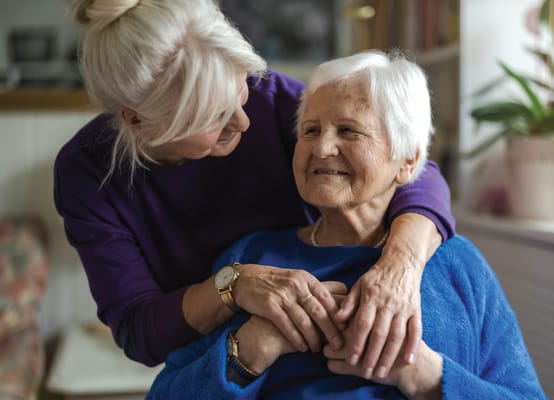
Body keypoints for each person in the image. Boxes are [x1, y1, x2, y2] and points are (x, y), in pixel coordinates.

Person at [55, 0, 455, 373]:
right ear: (136, 121)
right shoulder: (87, 173)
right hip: (219, 359)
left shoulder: (269, 97)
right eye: (213, 116)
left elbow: (413, 168)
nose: (244, 123)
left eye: (240, 90)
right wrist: (233, 287)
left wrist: (398, 268)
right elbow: (138, 330)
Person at [145, 51, 546, 400]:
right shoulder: (251, 259)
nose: (322, 148)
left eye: (349, 131)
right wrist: (251, 347)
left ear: (408, 160)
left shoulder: (458, 264)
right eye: (311, 131)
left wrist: (421, 374)